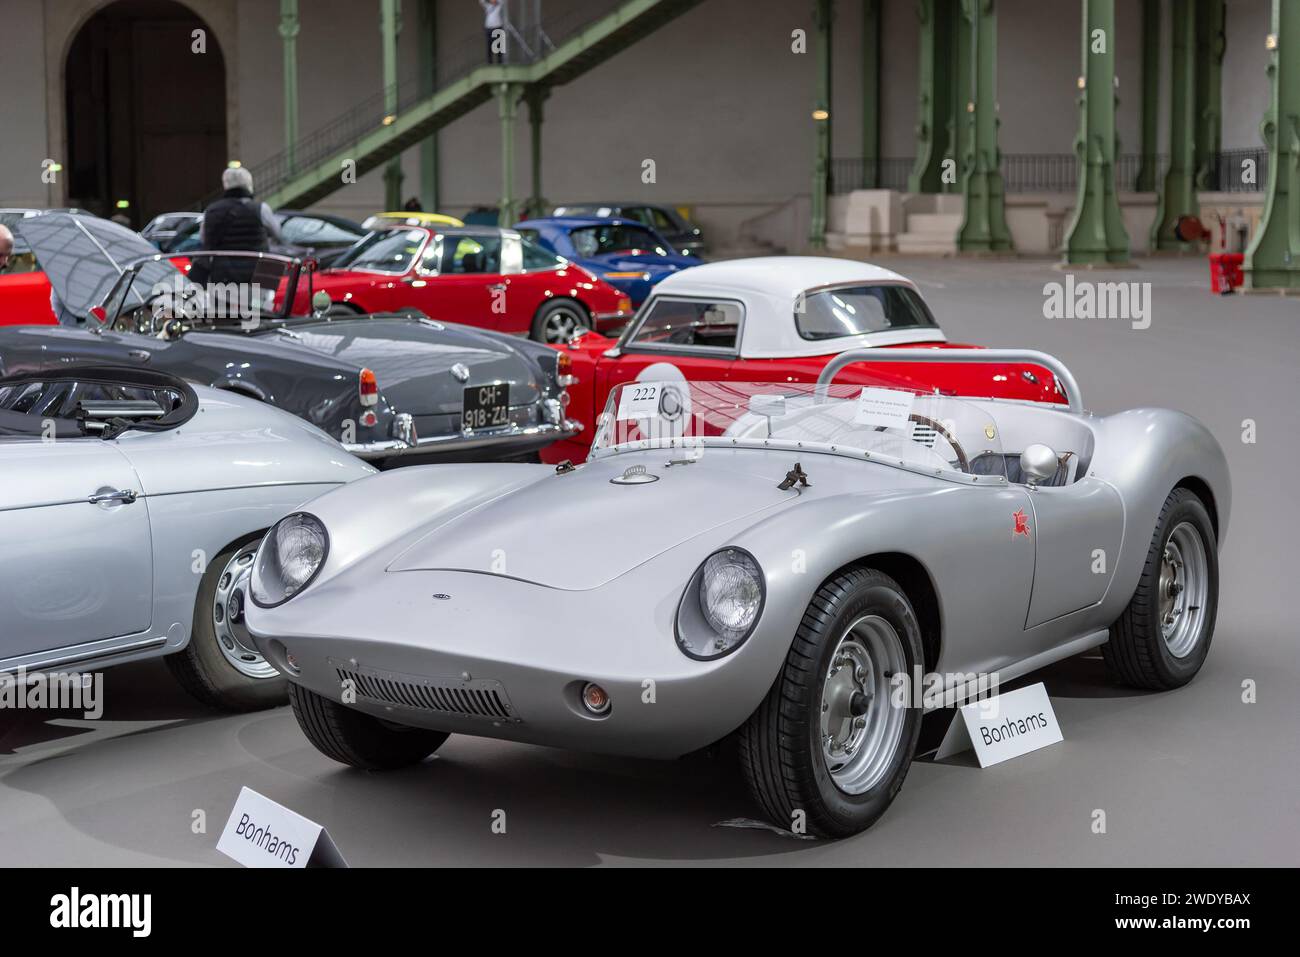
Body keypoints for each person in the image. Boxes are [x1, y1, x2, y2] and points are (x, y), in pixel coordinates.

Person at [199, 166, 283, 290]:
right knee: (258, 308)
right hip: (256, 274)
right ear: (249, 184)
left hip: (223, 276)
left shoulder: (211, 211)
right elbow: (278, 234)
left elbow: (204, 239)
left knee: (222, 308)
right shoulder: (260, 209)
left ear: (225, 185)